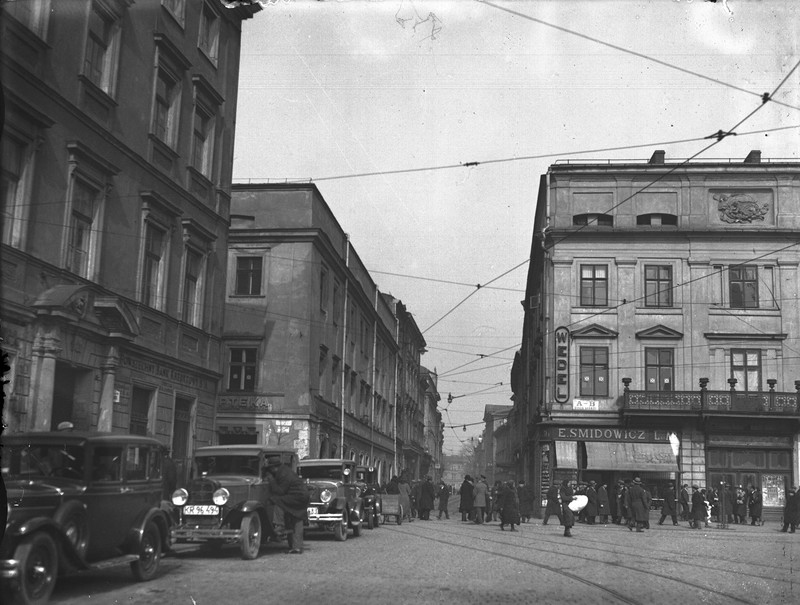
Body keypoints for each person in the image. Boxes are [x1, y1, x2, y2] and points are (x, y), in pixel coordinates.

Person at [263, 456, 309, 554]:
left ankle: (279, 525)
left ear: (274, 468)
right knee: (297, 519)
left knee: (277, 501)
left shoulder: (283, 474)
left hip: (298, 496)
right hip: (301, 496)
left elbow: (280, 491)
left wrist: (271, 479)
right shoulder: (284, 471)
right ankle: (296, 547)